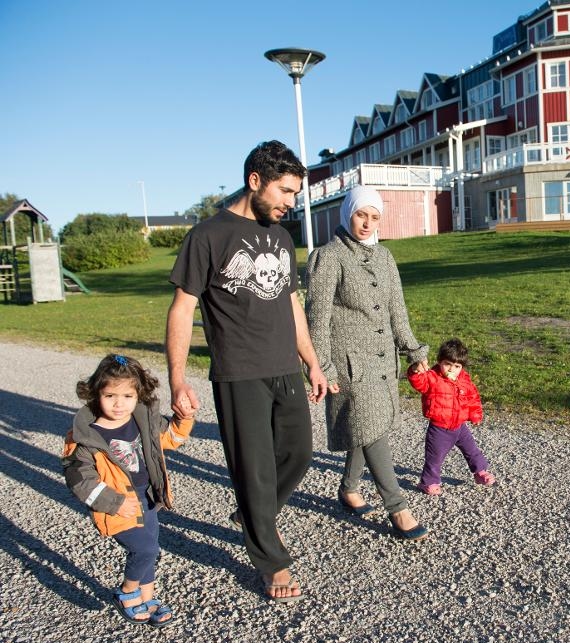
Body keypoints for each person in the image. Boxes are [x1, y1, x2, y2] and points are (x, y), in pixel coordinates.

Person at [165, 140, 328, 603]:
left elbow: (291, 301)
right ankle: (271, 560)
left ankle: (254, 513)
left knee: (298, 454)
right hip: (239, 372)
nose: (290, 203)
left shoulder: (279, 236)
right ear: (255, 181)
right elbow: (182, 308)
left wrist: (311, 360)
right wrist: (178, 378)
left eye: (295, 194)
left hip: (284, 367)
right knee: (253, 470)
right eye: (285, 191)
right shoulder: (208, 235)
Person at [305, 185, 430, 540]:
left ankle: (348, 487)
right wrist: (321, 366)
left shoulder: (386, 257)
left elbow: (397, 311)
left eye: (375, 217)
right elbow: (317, 319)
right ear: (348, 213)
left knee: (371, 425)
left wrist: (414, 350)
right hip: (348, 364)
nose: (367, 223)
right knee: (371, 427)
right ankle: (398, 507)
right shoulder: (328, 256)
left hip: (382, 360)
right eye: (362, 215)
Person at [62, 353, 194, 627]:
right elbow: (79, 478)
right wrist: (113, 502)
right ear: (96, 393)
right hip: (120, 503)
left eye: (127, 396)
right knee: (144, 549)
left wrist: (184, 418)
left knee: (151, 546)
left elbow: (169, 439)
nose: (119, 404)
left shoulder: (142, 418)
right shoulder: (86, 435)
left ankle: (148, 597)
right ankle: (126, 592)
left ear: (138, 395)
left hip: (147, 495)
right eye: (110, 396)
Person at [407, 338, 496, 495]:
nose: (452, 369)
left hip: (460, 426)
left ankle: (480, 472)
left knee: (472, 451)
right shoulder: (432, 377)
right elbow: (418, 382)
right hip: (439, 428)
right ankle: (428, 482)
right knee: (434, 458)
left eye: (457, 366)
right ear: (440, 362)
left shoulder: (464, 379)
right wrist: (415, 370)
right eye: (447, 364)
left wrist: (475, 414)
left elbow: (472, 396)